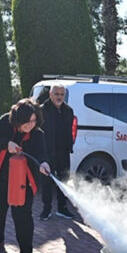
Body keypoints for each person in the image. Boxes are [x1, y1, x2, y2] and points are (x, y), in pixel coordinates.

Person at [0, 98, 51, 253]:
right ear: (18, 119)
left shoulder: (38, 134)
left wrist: (43, 163)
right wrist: (6, 144)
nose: (30, 125)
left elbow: (42, 154)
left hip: (22, 182)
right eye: (27, 121)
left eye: (34, 120)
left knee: (23, 218)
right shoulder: (6, 121)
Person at [39, 84, 76, 220]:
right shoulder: (42, 110)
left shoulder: (69, 111)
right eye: (56, 94)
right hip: (47, 152)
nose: (59, 97)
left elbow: (71, 130)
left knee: (64, 180)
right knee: (46, 182)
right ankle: (46, 209)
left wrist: (70, 146)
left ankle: (62, 208)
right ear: (51, 94)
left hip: (63, 152)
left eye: (62, 94)